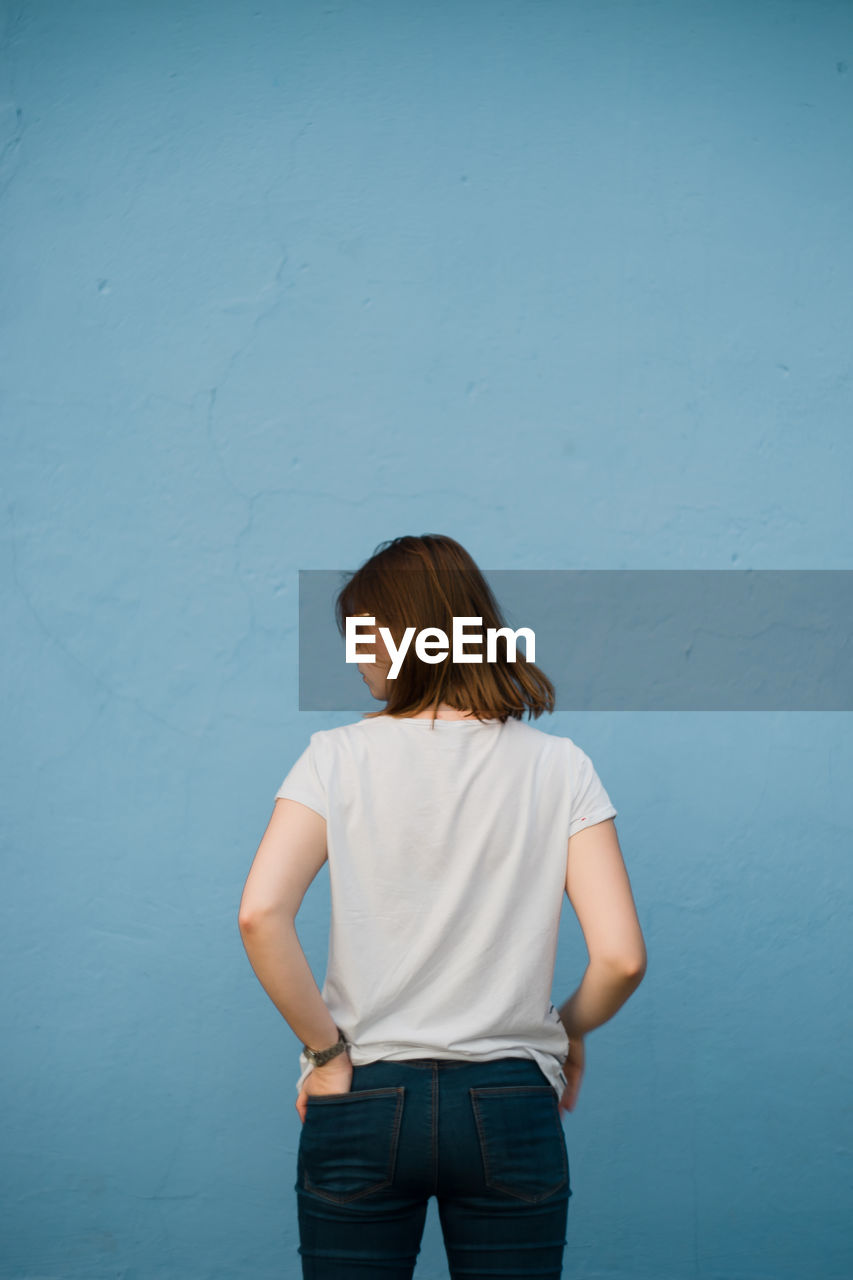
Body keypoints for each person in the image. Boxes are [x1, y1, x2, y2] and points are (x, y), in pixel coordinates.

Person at [238, 534, 647, 1280]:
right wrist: (568, 1029)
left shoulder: (334, 757)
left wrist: (326, 1055)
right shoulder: (561, 768)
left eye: (362, 632)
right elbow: (620, 958)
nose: (354, 654)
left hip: (363, 1090)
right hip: (509, 1099)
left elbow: (260, 914)